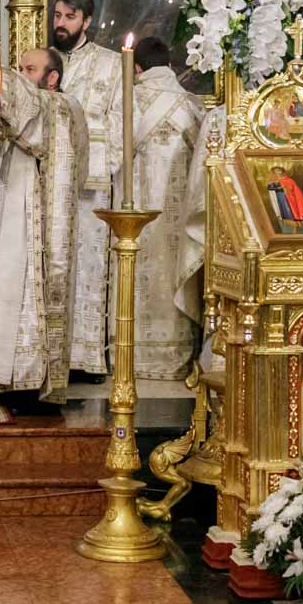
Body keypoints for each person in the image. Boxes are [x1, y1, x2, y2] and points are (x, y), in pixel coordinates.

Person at [0, 47, 88, 404]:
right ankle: (5, 377)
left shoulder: (62, 107)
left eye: (31, 69)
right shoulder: (23, 112)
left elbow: (30, 114)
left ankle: (33, 381)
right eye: (20, 69)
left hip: (45, 220)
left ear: (52, 78)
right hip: (12, 213)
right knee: (6, 287)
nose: (23, 76)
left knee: (34, 295)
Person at [48, 0, 124, 378]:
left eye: (70, 17)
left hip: (91, 183)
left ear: (87, 21)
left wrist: (104, 167)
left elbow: (121, 120)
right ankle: (51, 353)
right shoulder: (44, 61)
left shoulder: (111, 64)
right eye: (58, 15)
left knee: (90, 267)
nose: (61, 24)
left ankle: (86, 357)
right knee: (52, 264)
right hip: (49, 179)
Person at [127, 38, 206, 378]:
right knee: (172, 272)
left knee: (133, 274)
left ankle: (130, 356)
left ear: (137, 68)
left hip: (133, 214)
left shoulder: (127, 101)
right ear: (169, 65)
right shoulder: (191, 105)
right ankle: (175, 356)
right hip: (177, 215)